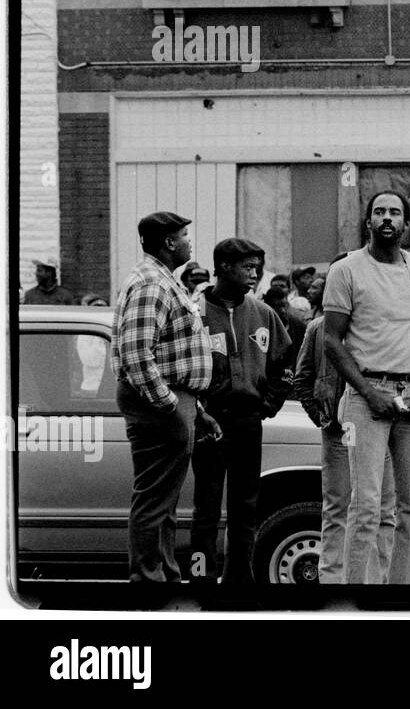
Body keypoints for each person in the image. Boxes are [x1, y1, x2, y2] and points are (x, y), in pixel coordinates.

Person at [323, 191, 410, 584]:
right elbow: (331, 342)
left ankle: (405, 595)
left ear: (406, 223)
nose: (386, 218)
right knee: (367, 506)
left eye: (394, 212)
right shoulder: (347, 270)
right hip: (366, 396)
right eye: (379, 212)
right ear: (368, 222)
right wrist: (368, 392)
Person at [112, 212, 213, 583]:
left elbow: (171, 353)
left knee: (164, 499)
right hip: (157, 404)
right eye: (184, 236)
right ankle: (148, 579)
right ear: (169, 243)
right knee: (155, 497)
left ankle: (164, 574)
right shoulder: (152, 283)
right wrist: (170, 405)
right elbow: (138, 353)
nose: (189, 242)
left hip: (172, 399)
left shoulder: (161, 279)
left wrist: (194, 407)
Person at [192, 237, 292, 585]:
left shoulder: (264, 314)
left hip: (248, 420)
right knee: (205, 509)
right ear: (223, 268)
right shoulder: (195, 312)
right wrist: (198, 409)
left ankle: (239, 580)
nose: (254, 274)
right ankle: (201, 578)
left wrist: (269, 404)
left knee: (245, 507)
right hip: (208, 421)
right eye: (247, 267)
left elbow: (285, 365)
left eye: (256, 267)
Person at [293, 255, 396, 585]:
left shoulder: (378, 325)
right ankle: (331, 579)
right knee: (337, 506)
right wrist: (320, 417)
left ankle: (375, 579)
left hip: (376, 426)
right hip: (337, 431)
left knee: (378, 508)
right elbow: (302, 378)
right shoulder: (318, 328)